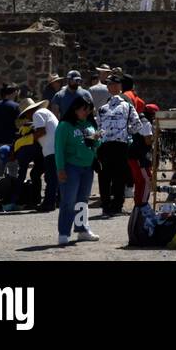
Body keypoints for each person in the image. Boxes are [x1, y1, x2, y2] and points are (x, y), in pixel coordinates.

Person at [54, 90, 101, 244]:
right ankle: (63, 233)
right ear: (75, 108)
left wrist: (96, 140)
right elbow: (59, 148)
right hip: (71, 167)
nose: (86, 113)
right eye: (84, 109)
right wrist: (60, 169)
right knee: (68, 200)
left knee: (82, 201)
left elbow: (95, 145)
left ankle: (82, 230)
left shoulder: (89, 124)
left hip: (87, 168)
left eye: (89, 110)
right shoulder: (64, 126)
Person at [96, 72, 140, 216]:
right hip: (109, 145)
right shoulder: (104, 107)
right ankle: (109, 205)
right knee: (108, 176)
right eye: (109, 84)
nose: (112, 87)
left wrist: (126, 134)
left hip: (118, 144)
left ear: (119, 86)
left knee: (116, 176)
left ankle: (114, 205)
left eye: (114, 84)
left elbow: (135, 124)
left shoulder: (125, 102)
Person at [30, 97, 59, 212]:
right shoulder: (45, 112)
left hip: (51, 149)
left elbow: (41, 131)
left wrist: (29, 138)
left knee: (51, 178)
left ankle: (48, 203)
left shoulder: (37, 114)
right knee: (53, 177)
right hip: (55, 148)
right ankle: (54, 201)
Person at [0, 85, 20, 179]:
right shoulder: (15, 106)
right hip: (11, 142)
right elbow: (19, 124)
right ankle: (12, 190)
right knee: (12, 169)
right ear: (12, 93)